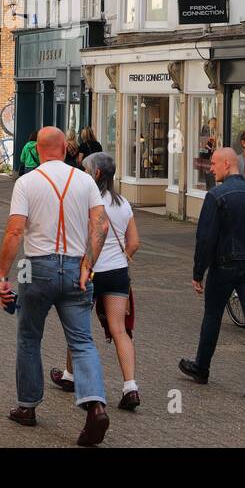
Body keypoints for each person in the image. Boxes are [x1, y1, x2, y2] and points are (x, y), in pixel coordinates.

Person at [0, 127, 111, 446]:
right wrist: (89, 264)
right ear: (65, 148)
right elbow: (100, 224)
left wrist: (2, 275)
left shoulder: (26, 182)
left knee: (29, 336)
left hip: (36, 267)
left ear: (37, 148)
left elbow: (15, 232)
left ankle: (27, 407)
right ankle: (96, 404)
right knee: (82, 341)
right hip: (76, 267)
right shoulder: (85, 180)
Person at [179, 147, 245, 404]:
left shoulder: (216, 196)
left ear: (228, 164)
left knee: (212, 316)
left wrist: (199, 272)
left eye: (214, 164)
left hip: (224, 266)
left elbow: (206, 238)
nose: (211, 168)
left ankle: (202, 368)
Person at [50, 152, 141, 411]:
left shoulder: (84, 201)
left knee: (78, 328)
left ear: (97, 173)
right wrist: (121, 257)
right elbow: (134, 242)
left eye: (85, 168)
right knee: (119, 330)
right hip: (117, 274)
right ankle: (130, 387)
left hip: (88, 273)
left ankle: (70, 378)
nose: (81, 172)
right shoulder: (123, 203)